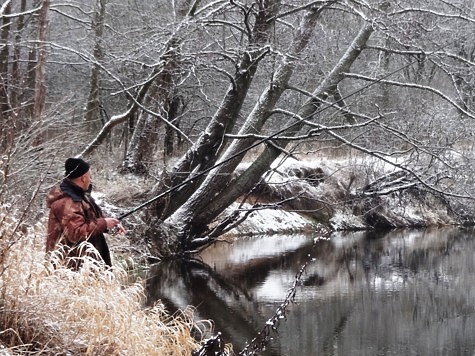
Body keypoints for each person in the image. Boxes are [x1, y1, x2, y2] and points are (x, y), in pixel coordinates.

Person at [46, 157, 125, 268]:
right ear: (83, 178)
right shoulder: (67, 202)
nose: (91, 180)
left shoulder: (79, 196)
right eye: (90, 177)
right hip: (69, 269)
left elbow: (91, 218)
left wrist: (111, 223)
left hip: (85, 265)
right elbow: (76, 233)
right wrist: (104, 223)